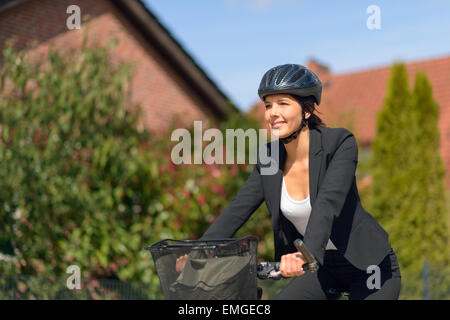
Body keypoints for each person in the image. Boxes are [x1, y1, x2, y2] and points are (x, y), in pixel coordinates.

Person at [198, 64, 402, 300]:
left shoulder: (339, 143)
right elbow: (238, 209)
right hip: (323, 269)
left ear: (307, 110)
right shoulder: (269, 159)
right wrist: (200, 251)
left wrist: (306, 254)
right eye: (267, 105)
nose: (272, 113)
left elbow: (327, 203)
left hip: (369, 267)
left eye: (283, 103)